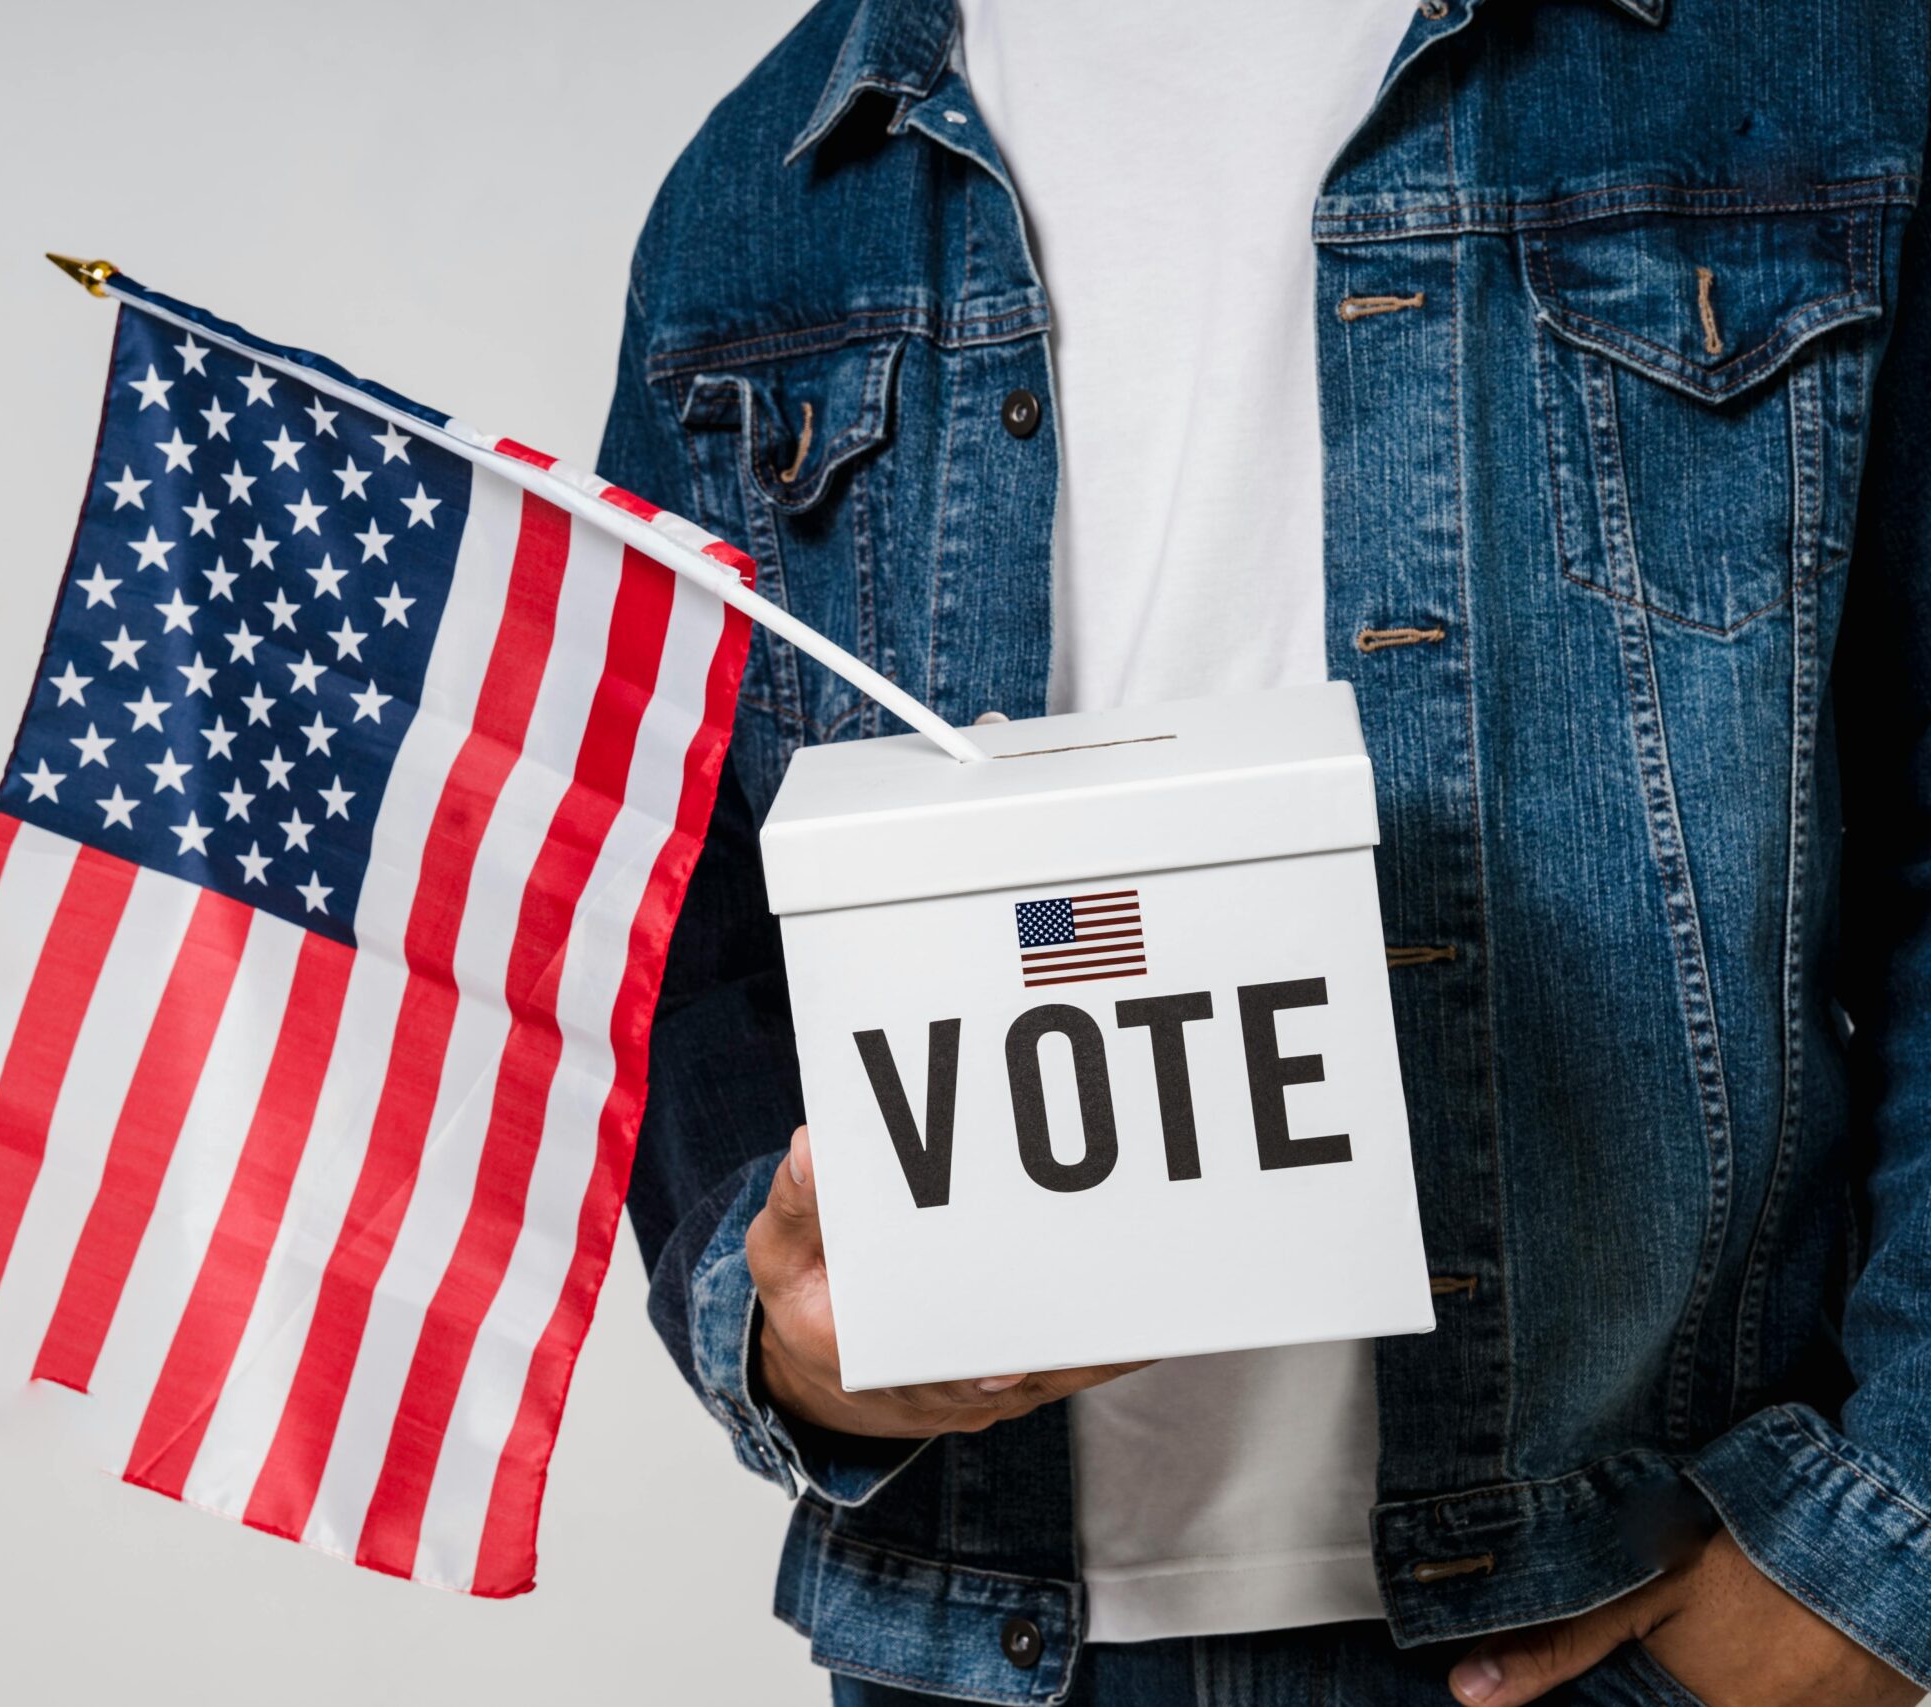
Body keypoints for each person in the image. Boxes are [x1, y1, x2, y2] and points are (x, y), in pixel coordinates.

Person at [597, 1, 1931, 1702]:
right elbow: (668, 889)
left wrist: (1875, 1557)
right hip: (982, 1636)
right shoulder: (766, 184)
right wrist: (774, 1324)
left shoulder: (1810, 66)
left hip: (1626, 1603)